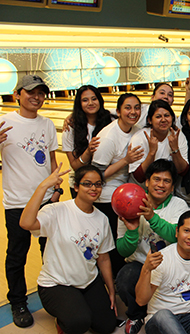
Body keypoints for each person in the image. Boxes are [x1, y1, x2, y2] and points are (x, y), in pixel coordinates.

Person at [20, 164, 117, 334]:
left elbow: (103, 258)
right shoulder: (57, 210)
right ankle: (64, 320)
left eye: (98, 184)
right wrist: (44, 186)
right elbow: (26, 223)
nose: (93, 188)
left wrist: (111, 290)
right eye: (87, 183)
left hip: (88, 281)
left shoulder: (102, 219)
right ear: (76, 187)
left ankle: (77, 306)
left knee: (107, 326)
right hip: (57, 283)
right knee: (79, 322)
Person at [0, 74, 59, 328]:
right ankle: (17, 301)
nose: (37, 97)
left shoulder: (47, 124)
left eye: (41, 92)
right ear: (18, 95)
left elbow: (52, 161)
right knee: (17, 255)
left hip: (46, 200)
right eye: (30, 92)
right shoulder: (3, 121)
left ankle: (56, 294)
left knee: (52, 251)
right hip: (17, 202)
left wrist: (57, 191)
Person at [116, 160, 188, 334]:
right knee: (124, 279)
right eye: (156, 179)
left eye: (166, 181)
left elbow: (176, 235)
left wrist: (151, 217)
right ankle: (136, 315)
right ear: (147, 182)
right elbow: (122, 250)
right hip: (141, 264)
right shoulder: (129, 203)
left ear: (172, 187)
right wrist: (132, 233)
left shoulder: (179, 205)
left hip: (171, 265)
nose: (161, 185)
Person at [92, 93, 145, 275]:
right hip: (106, 197)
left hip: (126, 194)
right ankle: (113, 281)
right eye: (128, 108)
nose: (133, 112)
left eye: (136, 107)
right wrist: (125, 160)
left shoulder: (136, 130)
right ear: (118, 111)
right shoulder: (108, 137)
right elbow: (95, 177)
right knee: (112, 245)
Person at [63, 85, 112, 198]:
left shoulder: (111, 120)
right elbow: (75, 166)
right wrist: (88, 151)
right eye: (85, 100)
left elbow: (124, 111)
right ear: (79, 103)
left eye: (94, 99)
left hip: (104, 183)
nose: (90, 103)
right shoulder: (70, 128)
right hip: (81, 184)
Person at [128, 100, 187, 187]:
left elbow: (183, 172)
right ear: (150, 120)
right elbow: (139, 177)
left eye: (167, 115)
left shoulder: (177, 135)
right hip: (140, 191)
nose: (163, 120)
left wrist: (175, 149)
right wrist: (152, 152)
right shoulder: (140, 138)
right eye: (158, 116)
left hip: (166, 191)